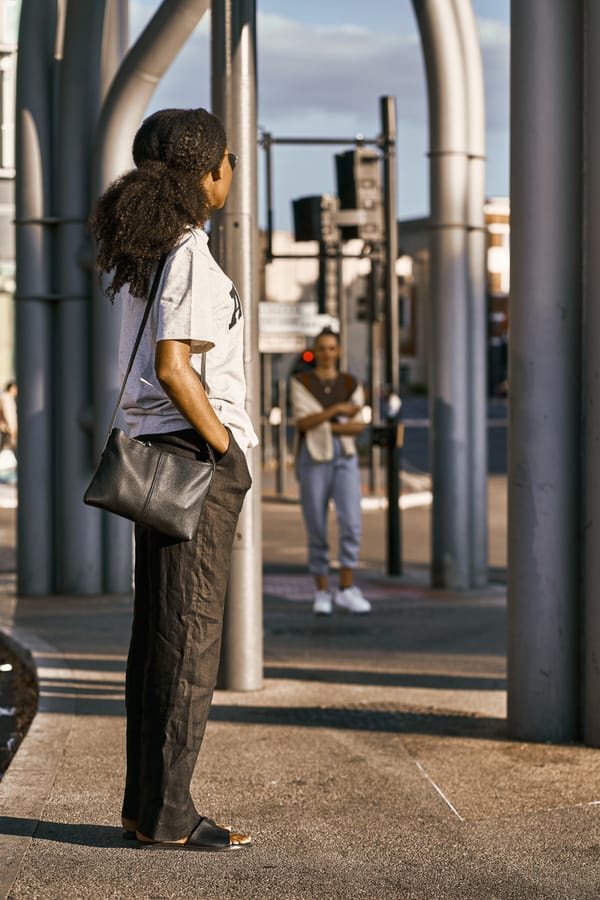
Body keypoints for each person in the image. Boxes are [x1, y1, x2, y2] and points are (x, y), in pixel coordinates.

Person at [89, 108, 257, 851]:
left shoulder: (142, 254)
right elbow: (173, 365)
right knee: (190, 639)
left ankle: (146, 807)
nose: (230, 172)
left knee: (158, 636)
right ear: (206, 172)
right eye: (226, 160)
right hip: (193, 457)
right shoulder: (188, 251)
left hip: (158, 455)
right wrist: (225, 445)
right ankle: (170, 815)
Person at [290, 328, 371, 616]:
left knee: (352, 523)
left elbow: (359, 426)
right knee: (317, 528)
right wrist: (337, 410)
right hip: (313, 459)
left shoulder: (351, 382)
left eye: (332, 348)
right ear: (314, 351)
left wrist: (322, 422)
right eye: (322, 348)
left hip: (345, 459)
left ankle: (347, 589)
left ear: (339, 351)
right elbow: (302, 423)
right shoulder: (301, 382)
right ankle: (322, 591)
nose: (327, 353)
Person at [0, 381, 17, 452]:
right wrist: (12, 429)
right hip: (6, 430)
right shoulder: (7, 398)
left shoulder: (3, 397)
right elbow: (8, 414)